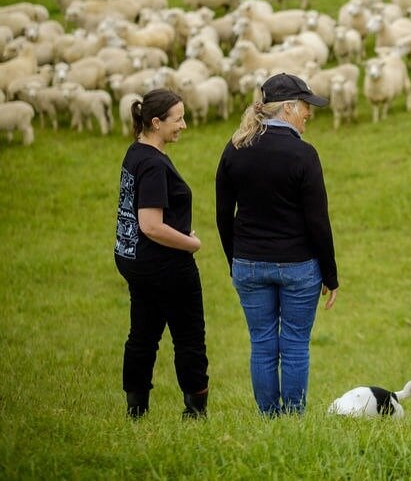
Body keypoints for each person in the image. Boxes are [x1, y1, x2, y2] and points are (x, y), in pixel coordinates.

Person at [215, 73, 339, 416]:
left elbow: (223, 214)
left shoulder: (235, 149)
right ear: (287, 108)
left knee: (263, 344)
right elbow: (318, 221)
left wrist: (235, 261)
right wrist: (331, 275)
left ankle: (269, 418)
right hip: (299, 266)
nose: (308, 115)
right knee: (296, 346)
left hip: (249, 264)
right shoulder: (303, 154)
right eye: (304, 107)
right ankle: (294, 417)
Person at [114, 88, 209, 420]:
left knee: (142, 334)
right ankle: (195, 413)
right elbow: (151, 225)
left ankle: (135, 411)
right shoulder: (154, 165)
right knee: (189, 338)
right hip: (165, 265)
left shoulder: (135, 152)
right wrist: (191, 243)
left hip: (136, 261)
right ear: (156, 122)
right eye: (178, 119)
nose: (183, 125)